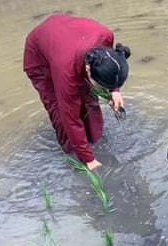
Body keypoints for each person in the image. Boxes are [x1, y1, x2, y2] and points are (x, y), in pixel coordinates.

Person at [23, 13, 131, 170]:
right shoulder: (65, 70)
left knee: (89, 100)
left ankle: (95, 138)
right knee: (60, 112)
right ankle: (73, 153)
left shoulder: (106, 36)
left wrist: (115, 90)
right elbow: (70, 118)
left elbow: (111, 66)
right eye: (101, 84)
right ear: (87, 68)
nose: (102, 89)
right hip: (41, 55)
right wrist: (89, 159)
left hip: (67, 40)